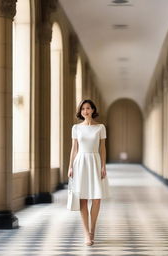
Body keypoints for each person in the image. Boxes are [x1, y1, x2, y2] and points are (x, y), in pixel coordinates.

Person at [68, 99, 110, 246]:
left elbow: (103, 148)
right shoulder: (76, 128)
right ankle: (86, 234)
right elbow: (74, 148)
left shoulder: (100, 127)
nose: (85, 111)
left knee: (97, 198)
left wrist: (103, 166)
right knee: (83, 199)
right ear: (80, 112)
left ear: (93, 110)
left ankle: (93, 230)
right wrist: (70, 166)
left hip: (95, 161)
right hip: (80, 163)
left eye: (88, 108)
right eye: (83, 109)